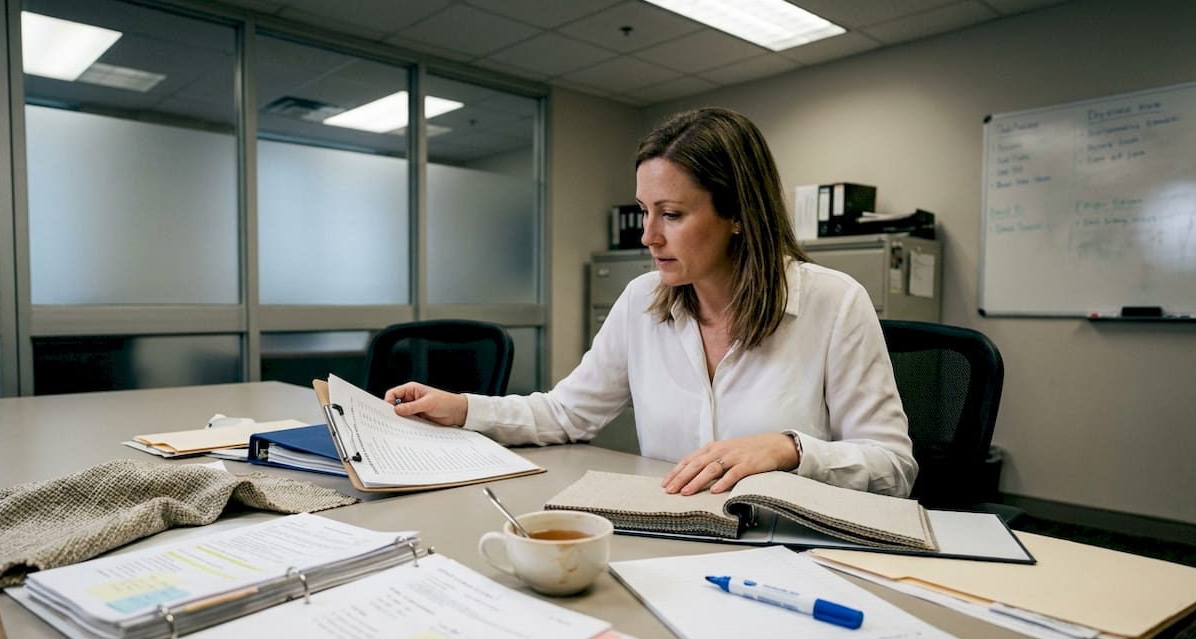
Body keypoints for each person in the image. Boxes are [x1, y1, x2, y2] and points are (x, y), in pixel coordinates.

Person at [386, 107, 917, 497]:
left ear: (738, 215)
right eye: (645, 211)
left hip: (790, 551)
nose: (648, 237)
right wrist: (462, 408)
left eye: (672, 214)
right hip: (670, 535)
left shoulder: (835, 303)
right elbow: (568, 412)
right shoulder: (643, 299)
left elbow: (892, 466)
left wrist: (789, 449)